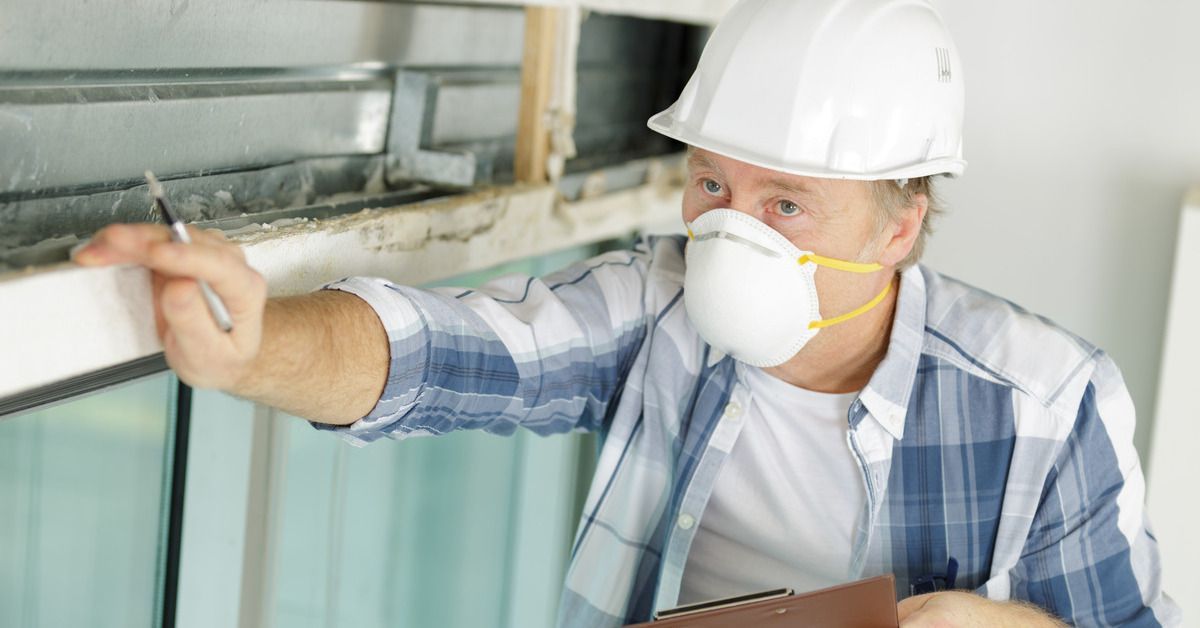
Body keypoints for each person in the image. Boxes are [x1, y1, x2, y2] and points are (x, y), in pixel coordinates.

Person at [74, 0, 1179, 626]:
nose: (732, 232)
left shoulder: (1048, 409)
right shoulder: (661, 310)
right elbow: (442, 356)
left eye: (787, 202)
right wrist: (257, 344)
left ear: (900, 224)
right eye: (713, 186)